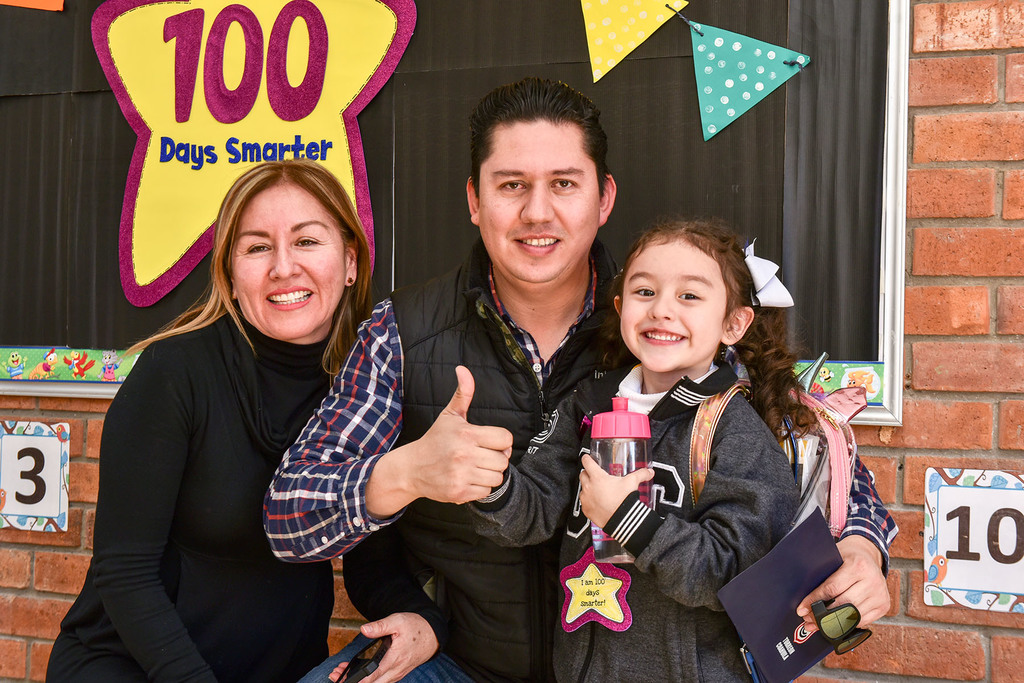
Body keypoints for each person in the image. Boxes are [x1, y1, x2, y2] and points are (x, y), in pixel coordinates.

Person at [264, 77, 897, 682]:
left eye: (563, 183)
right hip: (458, 658)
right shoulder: (403, 332)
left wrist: (864, 550)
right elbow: (287, 518)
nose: (537, 212)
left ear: (604, 198)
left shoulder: (669, 326)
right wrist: (406, 473)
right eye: (511, 184)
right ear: (474, 201)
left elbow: (827, 468)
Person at [47, 159, 372, 682]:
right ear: (230, 274)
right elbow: (125, 573)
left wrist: (422, 619)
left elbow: (374, 558)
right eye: (258, 246)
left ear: (350, 261)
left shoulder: (364, 390)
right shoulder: (174, 373)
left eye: (307, 241)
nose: (283, 267)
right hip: (133, 667)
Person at [470, 218, 818, 680]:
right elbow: (533, 508)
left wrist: (627, 520)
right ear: (620, 307)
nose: (662, 311)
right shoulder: (586, 406)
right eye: (645, 292)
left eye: (689, 296)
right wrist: (485, 481)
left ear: (733, 323)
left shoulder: (735, 432)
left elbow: (732, 575)